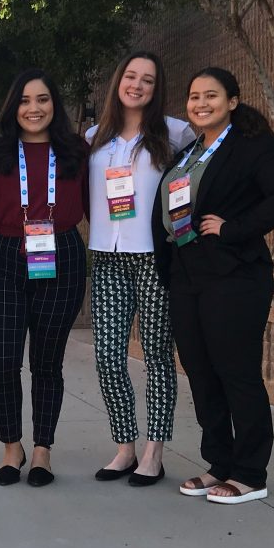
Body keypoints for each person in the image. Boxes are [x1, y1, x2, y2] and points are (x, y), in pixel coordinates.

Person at [152, 66, 274, 504]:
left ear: (233, 101)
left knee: (236, 373)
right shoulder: (191, 151)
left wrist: (235, 228)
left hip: (233, 276)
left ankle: (250, 472)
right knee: (201, 373)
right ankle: (219, 463)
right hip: (187, 277)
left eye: (211, 95)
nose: (201, 103)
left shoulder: (248, 145)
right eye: (194, 96)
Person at [86, 52, 196, 487]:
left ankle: (154, 451)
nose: (137, 85)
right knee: (108, 356)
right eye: (130, 76)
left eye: (147, 80)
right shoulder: (96, 136)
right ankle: (124, 447)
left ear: (156, 88)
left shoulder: (175, 133)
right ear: (118, 82)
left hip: (153, 256)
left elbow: (199, 180)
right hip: (107, 256)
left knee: (156, 357)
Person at [0, 69, 89, 487]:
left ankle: (42, 450)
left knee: (47, 362)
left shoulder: (77, 150)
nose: (34, 108)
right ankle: (12, 447)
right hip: (9, 252)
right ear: (14, 107)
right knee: (4, 361)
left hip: (61, 252)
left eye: (42, 99)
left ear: (54, 105)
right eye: (25, 101)